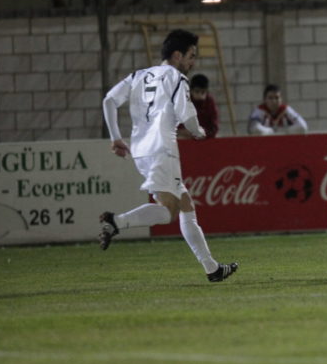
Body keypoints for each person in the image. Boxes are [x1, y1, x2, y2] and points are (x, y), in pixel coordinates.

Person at [100, 29, 238, 283]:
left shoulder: (138, 76)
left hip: (141, 150)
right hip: (163, 148)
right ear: (177, 55)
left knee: (186, 205)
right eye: (191, 56)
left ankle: (212, 268)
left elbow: (109, 100)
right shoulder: (176, 77)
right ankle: (116, 222)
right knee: (168, 212)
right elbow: (187, 115)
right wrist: (199, 132)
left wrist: (115, 137)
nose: (193, 62)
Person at [177, 73, 219, 139]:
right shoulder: (185, 101)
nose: (200, 95)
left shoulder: (210, 102)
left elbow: (214, 127)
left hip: (204, 137)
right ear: (191, 91)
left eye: (203, 92)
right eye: (197, 92)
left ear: (207, 92)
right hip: (187, 137)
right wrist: (184, 131)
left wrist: (203, 132)